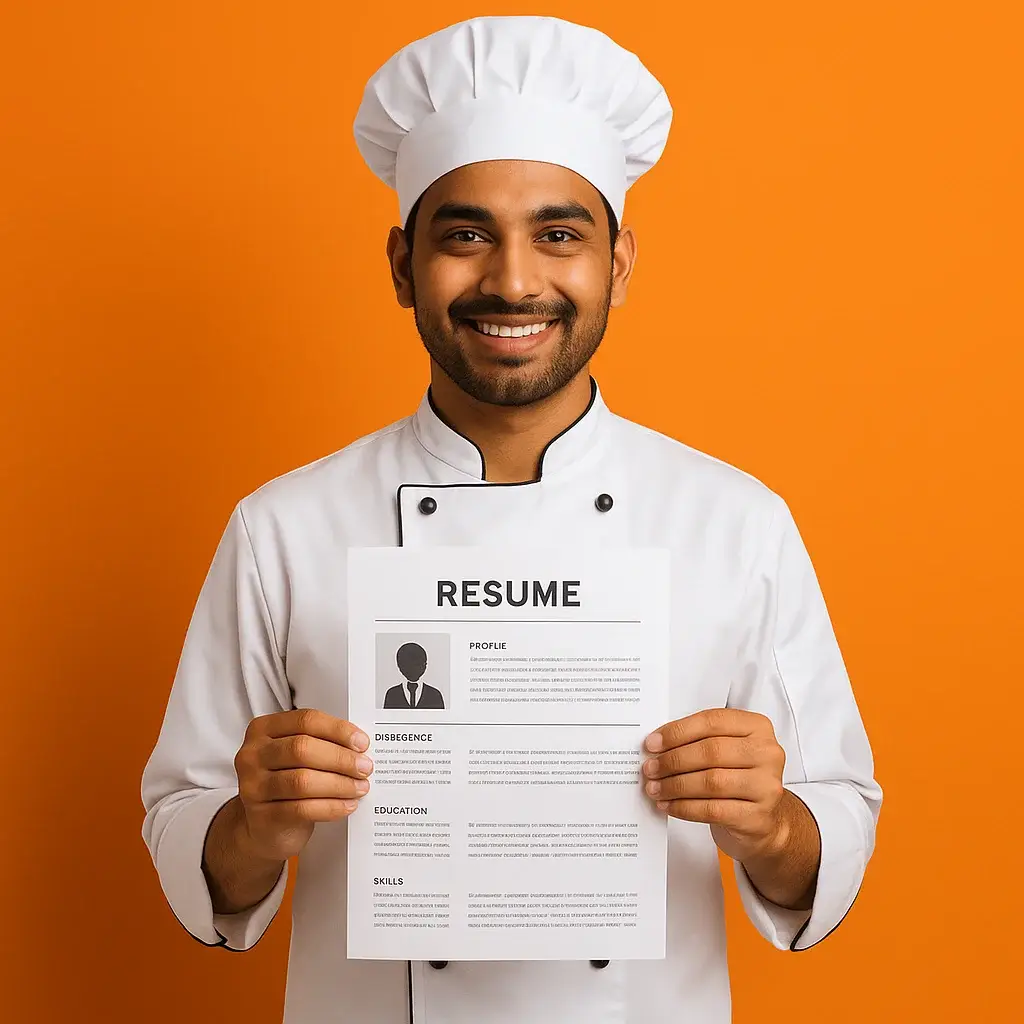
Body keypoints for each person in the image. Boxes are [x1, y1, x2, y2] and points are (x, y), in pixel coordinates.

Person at [141, 14, 882, 1024]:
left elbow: (831, 828)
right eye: (465, 234)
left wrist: (771, 825)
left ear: (617, 263)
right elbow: (189, 830)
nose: (514, 280)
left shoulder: (735, 522)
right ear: (403, 265)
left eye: (559, 234)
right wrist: (252, 826)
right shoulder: (283, 526)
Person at [383, 642, 444, 709]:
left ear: (425, 665)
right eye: (408, 665)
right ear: (400, 666)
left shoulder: (435, 695)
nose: (414, 669)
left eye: (418, 664)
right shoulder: (392, 695)